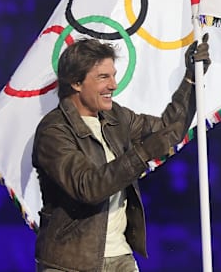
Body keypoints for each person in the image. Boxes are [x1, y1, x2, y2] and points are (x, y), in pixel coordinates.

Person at [32, 34, 210, 272]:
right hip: (70, 263)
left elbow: (168, 131)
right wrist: (141, 153)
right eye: (103, 77)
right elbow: (88, 187)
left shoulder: (117, 117)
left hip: (120, 256)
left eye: (113, 75)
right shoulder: (53, 132)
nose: (114, 85)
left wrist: (191, 79)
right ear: (76, 82)